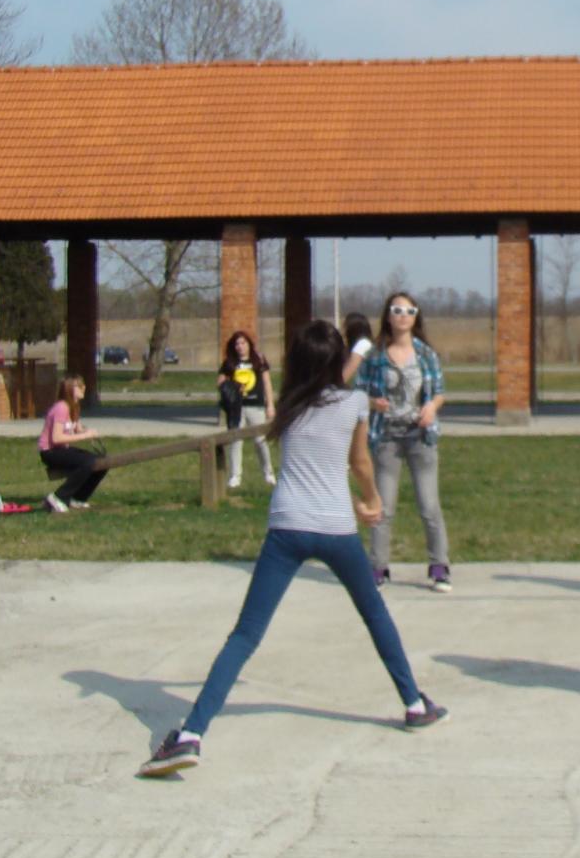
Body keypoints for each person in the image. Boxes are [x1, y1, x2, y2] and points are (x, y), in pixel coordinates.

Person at [139, 320, 449, 777]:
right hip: (336, 529)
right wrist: (371, 499)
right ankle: (413, 703)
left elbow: (326, 392)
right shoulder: (354, 403)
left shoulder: (289, 406)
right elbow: (359, 461)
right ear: (336, 361)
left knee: (245, 635)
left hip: (286, 528)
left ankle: (191, 734)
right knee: (375, 615)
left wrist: (353, 353)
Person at [355, 291, 452, 592]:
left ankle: (439, 567)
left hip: (420, 437)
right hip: (386, 437)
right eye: (397, 310)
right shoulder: (375, 356)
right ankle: (378, 567)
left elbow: (439, 392)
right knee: (383, 506)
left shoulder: (426, 354)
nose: (403, 316)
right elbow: (357, 393)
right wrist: (373, 403)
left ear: (415, 317)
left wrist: (431, 407)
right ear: (388, 315)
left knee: (429, 505)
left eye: (409, 311)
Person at [38, 371, 105, 513]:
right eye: (79, 386)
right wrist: (85, 435)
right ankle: (58, 497)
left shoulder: (73, 406)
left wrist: (87, 431)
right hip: (50, 452)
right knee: (88, 463)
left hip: (61, 449)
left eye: (83, 385)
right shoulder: (61, 407)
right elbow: (57, 438)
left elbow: (77, 428)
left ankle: (78, 498)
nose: (83, 388)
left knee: (102, 462)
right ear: (69, 389)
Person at [217, 331, 276, 489]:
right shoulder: (230, 362)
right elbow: (220, 382)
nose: (240, 347)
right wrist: (232, 387)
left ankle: (268, 473)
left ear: (249, 344)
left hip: (255, 405)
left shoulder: (258, 360)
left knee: (260, 440)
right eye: (237, 344)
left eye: (243, 343)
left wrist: (270, 405)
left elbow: (267, 382)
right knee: (236, 440)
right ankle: (235, 476)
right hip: (237, 407)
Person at [341, 311, 374, 384]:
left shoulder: (362, 344)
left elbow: (347, 373)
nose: (342, 330)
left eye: (344, 326)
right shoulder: (362, 344)